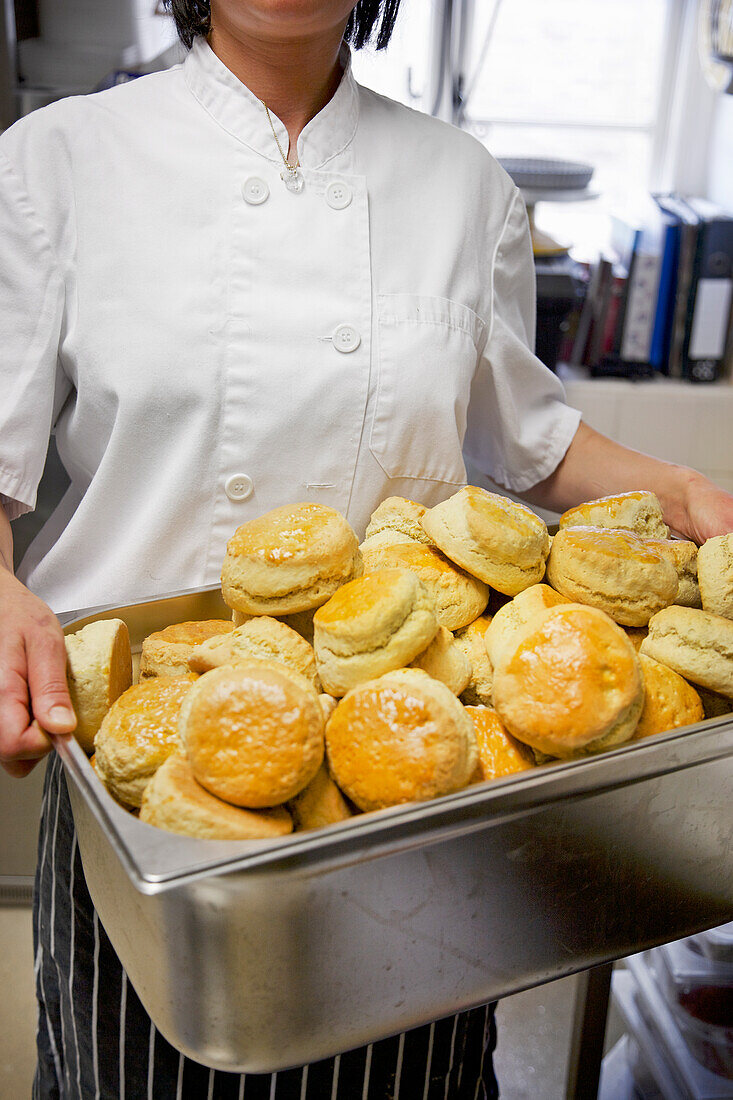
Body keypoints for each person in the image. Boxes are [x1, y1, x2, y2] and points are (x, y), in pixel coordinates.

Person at [1, 1, 732, 1096]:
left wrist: (678, 488)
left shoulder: (461, 182)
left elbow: (525, 438)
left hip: (416, 787)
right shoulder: (59, 161)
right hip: (157, 793)